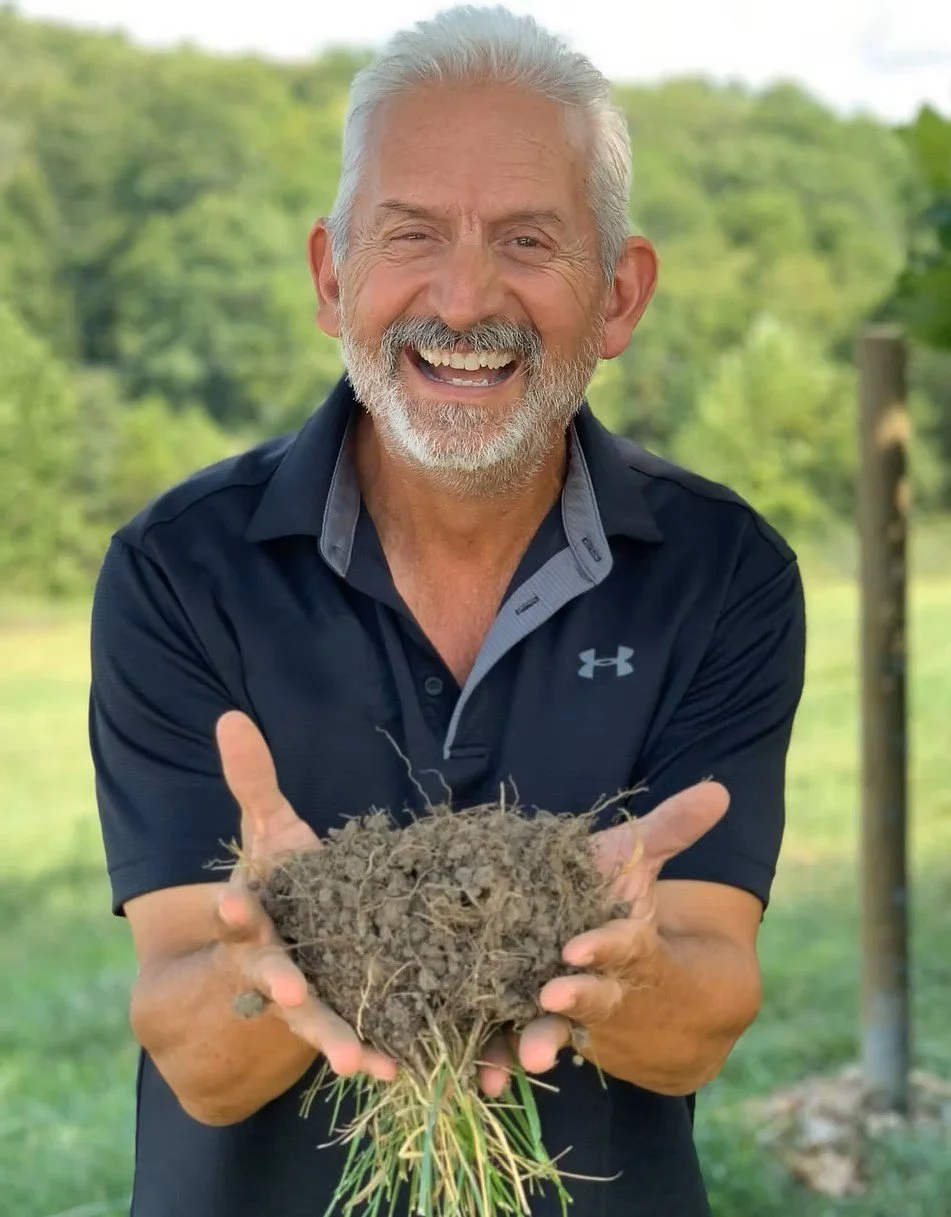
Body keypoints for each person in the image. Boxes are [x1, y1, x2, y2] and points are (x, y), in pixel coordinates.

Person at [89, 7, 806, 1216]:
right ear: (332, 275)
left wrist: (614, 974)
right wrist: (290, 949)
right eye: (411, 234)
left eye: (529, 240)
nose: (466, 298)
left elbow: (699, 1022)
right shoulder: (178, 570)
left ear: (620, 295)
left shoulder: (722, 571)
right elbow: (198, 1062)